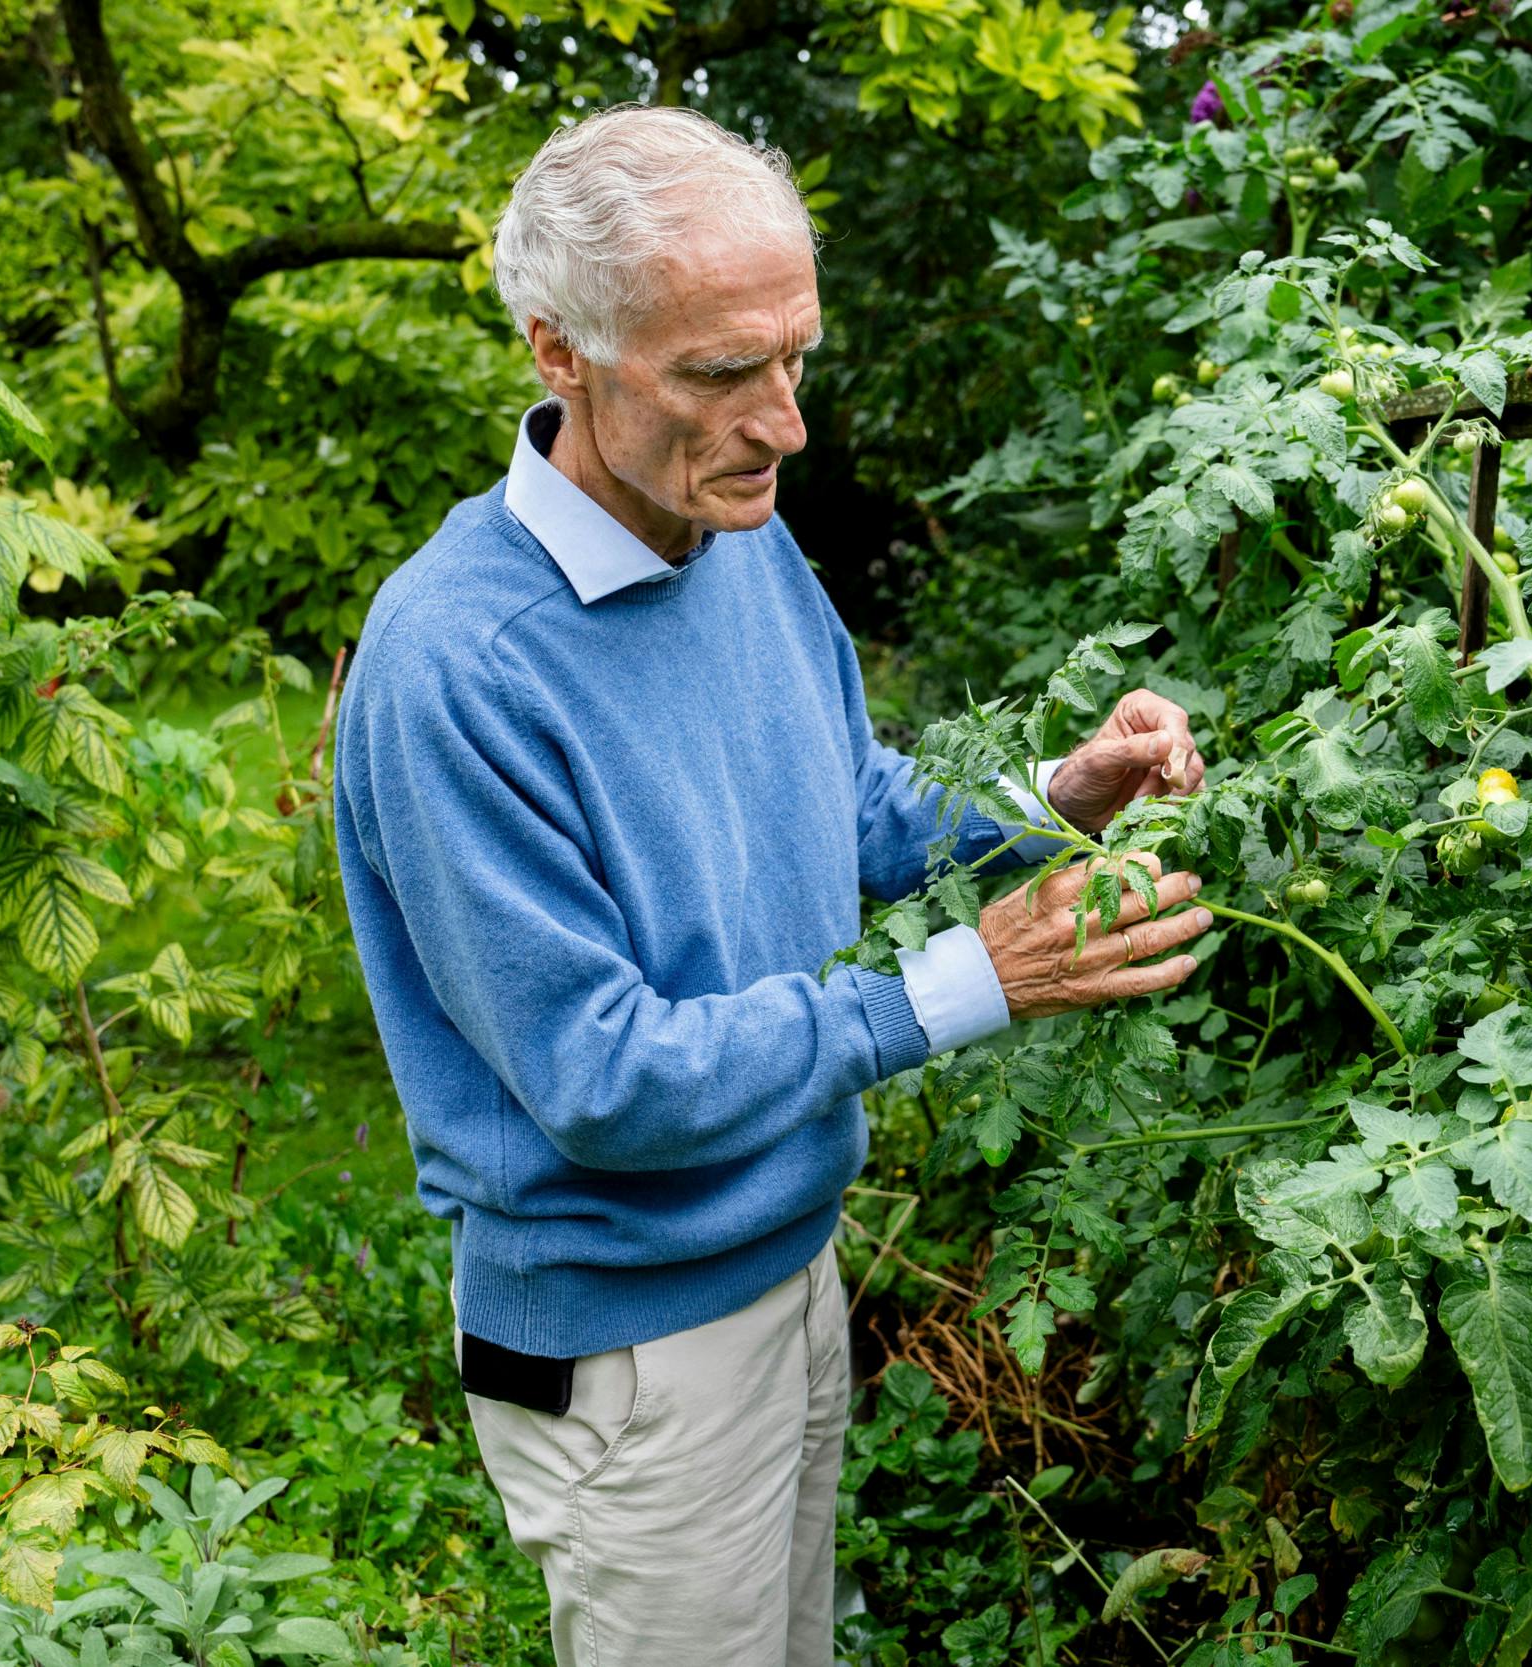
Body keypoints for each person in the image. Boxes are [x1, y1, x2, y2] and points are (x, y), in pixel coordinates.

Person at [331, 103, 1211, 1667]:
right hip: (630, 1345)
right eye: (721, 373)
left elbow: (845, 798)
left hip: (791, 1265)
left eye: (794, 357)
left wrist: (1049, 804)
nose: (784, 424)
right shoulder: (458, 667)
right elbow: (603, 1079)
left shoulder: (731, 530)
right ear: (560, 354)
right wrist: (970, 983)